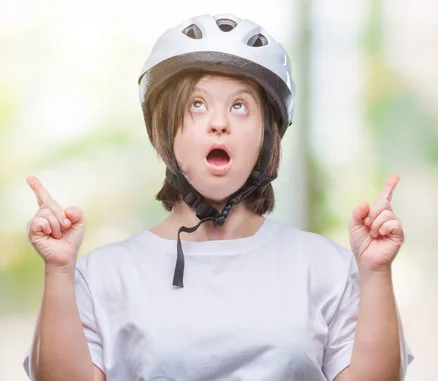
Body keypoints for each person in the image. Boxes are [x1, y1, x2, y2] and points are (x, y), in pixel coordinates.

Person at [22, 13, 414, 381]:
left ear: (266, 135)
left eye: (240, 106)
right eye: (197, 104)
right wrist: (58, 271)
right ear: (165, 129)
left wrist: (376, 273)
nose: (219, 123)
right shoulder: (104, 275)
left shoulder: (324, 267)